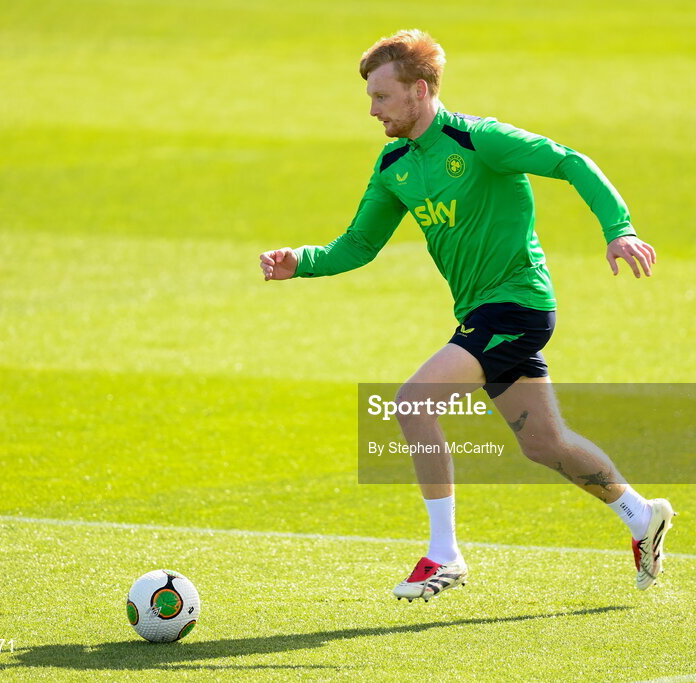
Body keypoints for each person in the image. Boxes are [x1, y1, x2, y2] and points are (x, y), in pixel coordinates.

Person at [259, 29, 674, 602]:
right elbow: (358, 245)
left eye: (381, 96)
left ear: (420, 91)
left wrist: (618, 229)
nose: (372, 110)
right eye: (370, 98)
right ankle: (640, 514)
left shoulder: (479, 140)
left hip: (517, 303)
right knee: (546, 445)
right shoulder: (394, 164)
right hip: (482, 313)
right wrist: (300, 262)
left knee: (412, 404)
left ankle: (444, 555)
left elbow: (570, 162)